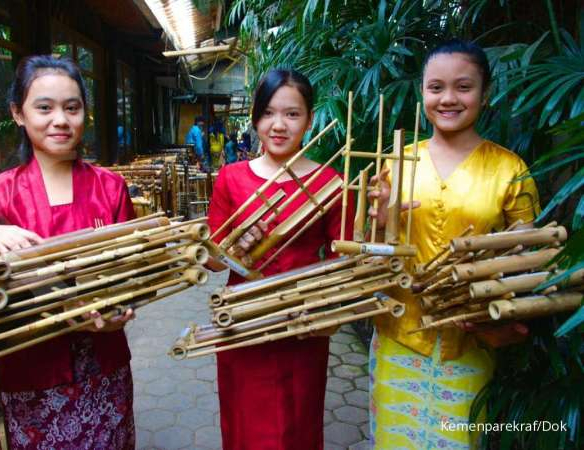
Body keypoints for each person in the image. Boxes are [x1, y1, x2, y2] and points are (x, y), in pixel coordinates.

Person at [367, 39, 540, 450]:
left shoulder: (509, 169)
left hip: (471, 341)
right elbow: (368, 253)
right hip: (398, 333)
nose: (448, 98)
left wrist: (504, 319)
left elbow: (529, 257)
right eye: (435, 87)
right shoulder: (396, 161)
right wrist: (379, 228)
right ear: (422, 92)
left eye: (463, 87)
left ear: (485, 92)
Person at [0, 55, 136, 449]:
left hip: (103, 366)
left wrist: (122, 310)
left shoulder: (111, 188)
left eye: (72, 108)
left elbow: (131, 273)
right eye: (44, 108)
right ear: (18, 114)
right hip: (31, 371)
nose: (60, 119)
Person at [207, 69, 354, 449]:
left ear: (309, 119)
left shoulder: (330, 182)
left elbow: (347, 259)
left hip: (303, 322)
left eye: (292, 114)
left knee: (298, 424)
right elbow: (211, 262)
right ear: (255, 116)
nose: (279, 125)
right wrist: (236, 246)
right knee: (245, 426)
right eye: (269, 113)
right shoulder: (231, 177)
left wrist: (333, 314)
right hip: (242, 319)